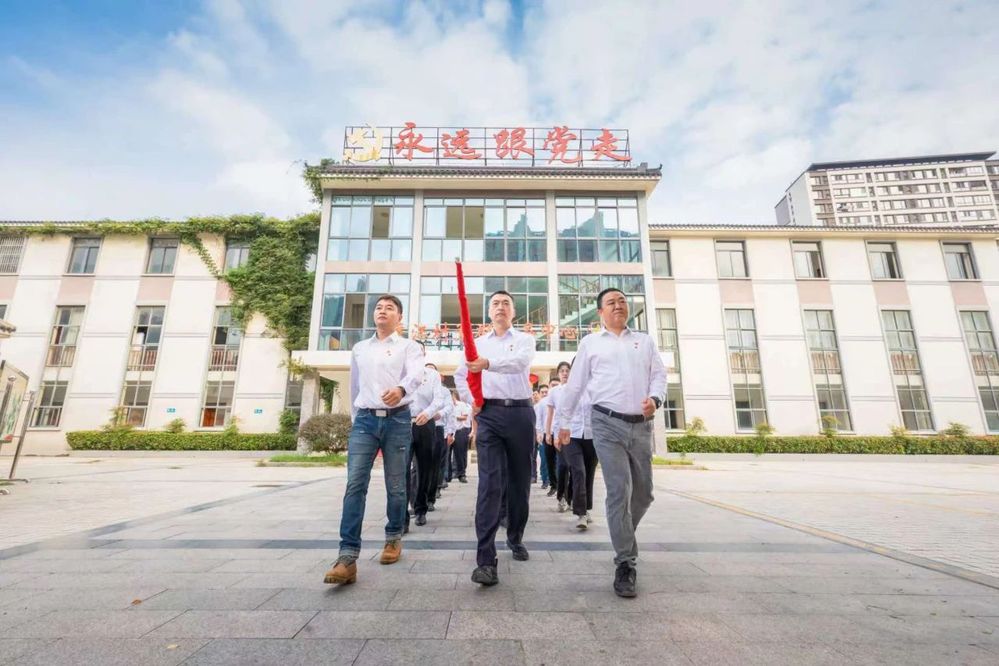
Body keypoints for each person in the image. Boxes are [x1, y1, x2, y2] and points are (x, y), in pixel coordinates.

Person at [556, 287, 666, 598]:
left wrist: (655, 399)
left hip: (641, 426)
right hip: (605, 423)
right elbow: (575, 385)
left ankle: (623, 533)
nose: (618, 305)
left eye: (622, 301)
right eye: (611, 302)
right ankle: (625, 563)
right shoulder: (590, 343)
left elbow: (659, 376)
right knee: (619, 490)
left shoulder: (644, 341)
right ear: (600, 312)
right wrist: (564, 422)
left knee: (644, 494)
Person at [324, 295, 424, 585]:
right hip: (365, 422)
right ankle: (347, 556)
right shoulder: (360, 348)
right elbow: (355, 385)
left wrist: (401, 390)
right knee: (355, 484)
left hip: (398, 420)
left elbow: (417, 374)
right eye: (379, 307)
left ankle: (393, 537)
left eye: (389, 308)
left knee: (396, 484)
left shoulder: (409, 347)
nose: (382, 311)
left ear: (399, 317)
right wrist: (357, 419)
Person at [456, 290, 536, 587]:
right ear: (488, 312)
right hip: (489, 415)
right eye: (495, 304)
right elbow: (460, 375)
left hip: (520, 414)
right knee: (489, 484)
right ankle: (486, 560)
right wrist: (472, 400)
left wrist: (487, 363)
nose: (500, 307)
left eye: (506, 303)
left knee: (519, 484)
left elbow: (519, 363)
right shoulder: (476, 343)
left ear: (513, 311)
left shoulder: (525, 340)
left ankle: (515, 536)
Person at [554, 360, 597, 531]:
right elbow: (560, 413)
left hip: (592, 437)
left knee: (589, 473)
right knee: (578, 470)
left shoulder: (596, 388)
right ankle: (581, 513)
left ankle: (586, 508)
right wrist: (556, 435)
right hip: (571, 436)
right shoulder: (567, 390)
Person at [409, 351, 446, 528]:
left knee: (424, 469)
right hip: (401, 423)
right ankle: (401, 514)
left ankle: (421, 509)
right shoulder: (400, 372)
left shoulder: (432, 375)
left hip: (424, 423)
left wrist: (428, 413)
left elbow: (438, 399)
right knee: (402, 469)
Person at [545, 362, 572, 512]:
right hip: (559, 433)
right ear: (558, 373)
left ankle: (571, 498)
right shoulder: (554, 392)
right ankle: (561, 497)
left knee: (574, 467)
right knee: (562, 466)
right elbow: (550, 414)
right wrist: (548, 433)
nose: (565, 373)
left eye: (567, 370)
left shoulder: (576, 389)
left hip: (575, 432)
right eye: (562, 371)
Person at [539, 378, 561, 498]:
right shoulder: (543, 402)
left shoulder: (564, 398)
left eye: (557, 385)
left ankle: (562, 486)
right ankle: (553, 485)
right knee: (550, 461)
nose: (555, 387)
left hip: (561, 433)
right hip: (548, 434)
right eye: (553, 385)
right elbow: (540, 418)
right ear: (549, 386)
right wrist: (541, 433)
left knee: (562, 462)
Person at [448, 391, 472, 483]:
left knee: (460, 454)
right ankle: (447, 475)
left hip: (459, 431)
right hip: (449, 431)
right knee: (447, 455)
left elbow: (464, 417)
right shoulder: (446, 405)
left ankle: (461, 474)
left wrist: (454, 417)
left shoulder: (461, 405)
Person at [532, 385, 551, 488]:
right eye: (542, 392)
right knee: (543, 458)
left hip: (552, 433)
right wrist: (538, 433)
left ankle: (552, 480)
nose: (544, 394)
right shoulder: (537, 406)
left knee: (553, 459)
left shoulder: (553, 403)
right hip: (540, 433)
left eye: (546, 392)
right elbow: (537, 421)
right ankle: (544, 480)